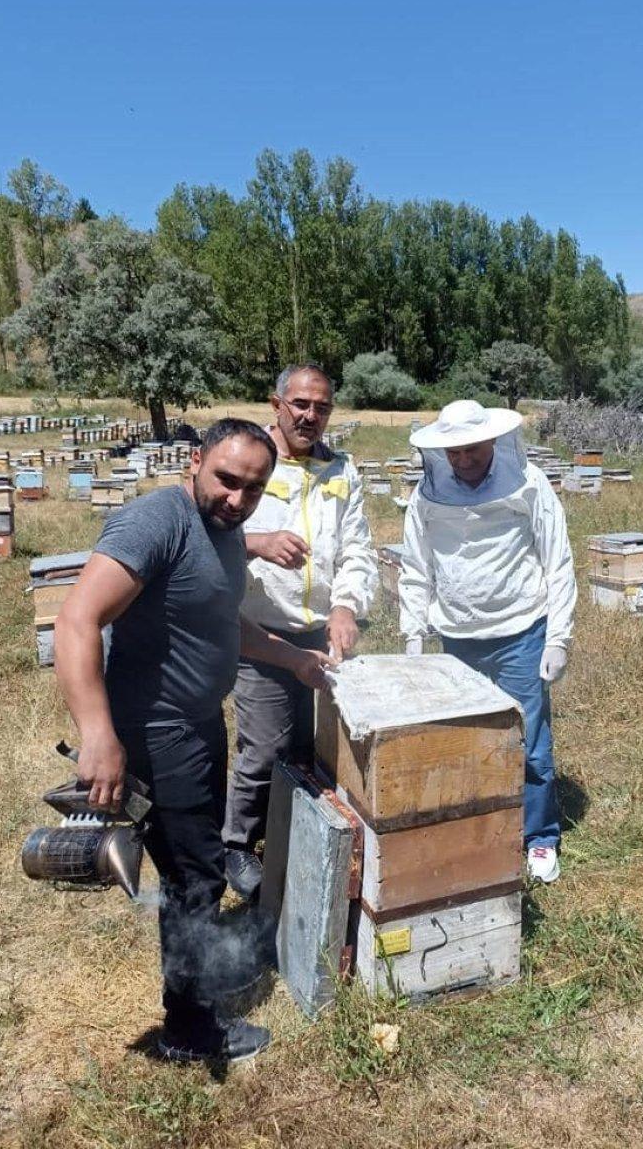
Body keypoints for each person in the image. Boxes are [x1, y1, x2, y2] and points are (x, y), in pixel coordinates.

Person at [54, 418, 333, 1064]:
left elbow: (219, 619)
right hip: (156, 731)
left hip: (199, 724)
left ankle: (192, 1003)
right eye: (226, 480)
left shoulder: (223, 531)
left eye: (252, 489)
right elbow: (76, 618)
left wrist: (292, 658)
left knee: (195, 869)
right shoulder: (158, 521)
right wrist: (98, 734)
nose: (236, 498)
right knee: (194, 879)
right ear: (195, 461)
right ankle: (189, 1029)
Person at [398, 400, 576, 884]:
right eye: (453, 452)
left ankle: (539, 837)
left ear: (493, 442)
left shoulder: (529, 483)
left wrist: (557, 637)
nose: (463, 460)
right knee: (469, 740)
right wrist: (414, 634)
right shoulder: (427, 495)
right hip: (457, 637)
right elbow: (416, 568)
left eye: (472, 450)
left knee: (529, 741)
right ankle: (481, 831)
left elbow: (557, 559)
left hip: (522, 631)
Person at [223, 364, 378, 901]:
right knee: (265, 746)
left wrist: (346, 606)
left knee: (324, 748)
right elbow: (205, 532)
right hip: (261, 631)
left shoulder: (341, 470)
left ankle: (301, 833)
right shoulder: (247, 460)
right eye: (301, 405)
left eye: (322, 407)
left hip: (323, 633)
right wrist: (258, 542)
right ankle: (238, 843)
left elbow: (357, 548)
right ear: (277, 404)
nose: (311, 416)